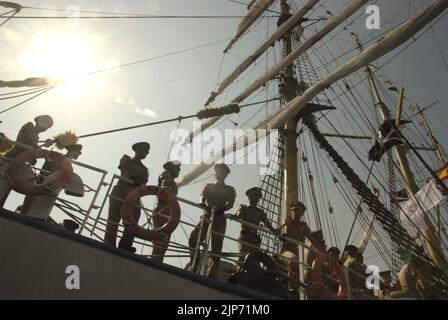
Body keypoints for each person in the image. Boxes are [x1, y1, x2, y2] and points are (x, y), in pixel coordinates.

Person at [187, 163, 236, 278]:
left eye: (222, 172)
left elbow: (231, 203)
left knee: (216, 249)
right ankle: (195, 263)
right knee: (193, 239)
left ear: (225, 175)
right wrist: (203, 204)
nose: (219, 174)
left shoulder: (230, 189)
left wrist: (223, 208)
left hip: (219, 218)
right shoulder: (208, 186)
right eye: (217, 172)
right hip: (207, 215)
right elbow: (202, 197)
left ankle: (212, 275)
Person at [104, 142, 150, 253]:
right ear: (137, 150)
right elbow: (125, 172)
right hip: (121, 189)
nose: (146, 153)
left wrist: (138, 182)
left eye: (147, 151)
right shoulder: (126, 160)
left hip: (133, 193)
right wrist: (134, 179)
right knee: (114, 216)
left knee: (133, 218)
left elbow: (143, 183)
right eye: (144, 150)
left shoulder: (145, 169)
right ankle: (109, 243)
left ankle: (126, 244)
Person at [0, 115, 54, 207]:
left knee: (6, 189)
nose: (45, 125)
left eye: (48, 124)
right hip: (8, 161)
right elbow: (28, 140)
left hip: (17, 167)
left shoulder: (36, 137)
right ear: (37, 120)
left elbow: (32, 150)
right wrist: (39, 148)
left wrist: (34, 157)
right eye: (45, 121)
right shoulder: (29, 126)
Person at [20, 143, 83, 218]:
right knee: (28, 208)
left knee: (36, 211)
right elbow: (45, 170)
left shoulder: (66, 163)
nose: (78, 154)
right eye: (77, 152)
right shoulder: (58, 158)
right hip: (42, 186)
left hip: (50, 190)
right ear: (71, 151)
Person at [227, 187, 278, 271]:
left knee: (255, 260)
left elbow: (268, 224)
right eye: (254, 195)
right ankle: (239, 275)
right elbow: (238, 215)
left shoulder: (260, 212)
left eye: (258, 196)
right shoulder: (243, 208)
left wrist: (275, 231)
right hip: (245, 237)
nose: (256, 198)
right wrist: (233, 216)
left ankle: (252, 279)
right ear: (249, 196)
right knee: (243, 257)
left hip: (255, 239)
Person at [279, 201, 324, 293]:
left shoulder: (303, 226)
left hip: (299, 253)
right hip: (286, 252)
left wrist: (322, 251)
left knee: (308, 270)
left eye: (297, 211)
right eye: (293, 210)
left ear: (302, 213)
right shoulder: (287, 222)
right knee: (294, 260)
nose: (294, 212)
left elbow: (311, 238)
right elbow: (282, 234)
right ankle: (292, 288)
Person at [151, 160, 181, 263]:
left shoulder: (172, 180)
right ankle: (155, 263)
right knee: (160, 241)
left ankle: (157, 262)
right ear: (170, 168)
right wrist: (165, 188)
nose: (178, 171)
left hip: (168, 212)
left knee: (164, 243)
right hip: (162, 210)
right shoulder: (166, 175)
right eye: (177, 169)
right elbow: (165, 185)